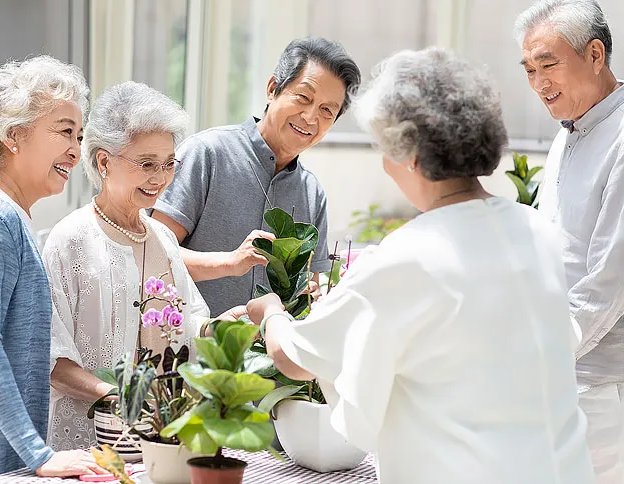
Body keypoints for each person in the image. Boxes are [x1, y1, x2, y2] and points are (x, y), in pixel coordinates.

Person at [246, 48, 595, 484]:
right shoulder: (535, 230)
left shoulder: (407, 258)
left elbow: (297, 359)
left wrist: (272, 312)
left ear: (409, 153)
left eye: (383, 146)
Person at [44, 82, 247, 451]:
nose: (161, 178)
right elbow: (52, 359)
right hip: (90, 446)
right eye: (147, 164)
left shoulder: (163, 240)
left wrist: (221, 326)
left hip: (161, 437)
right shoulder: (71, 239)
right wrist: (124, 398)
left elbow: (188, 327)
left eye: (169, 164)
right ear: (104, 162)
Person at [0, 56, 103, 482]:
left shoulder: (4, 215)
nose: (76, 149)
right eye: (66, 131)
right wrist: (40, 455)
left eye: (80, 135)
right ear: (14, 135)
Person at [515, 2, 624, 482]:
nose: (538, 83)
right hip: (560, 374)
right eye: (530, 70)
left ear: (595, 54)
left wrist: (532, 355)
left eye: (548, 64)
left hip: (608, 387)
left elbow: (607, 284)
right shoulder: (569, 134)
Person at [152, 36, 361, 316]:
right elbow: (153, 254)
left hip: (271, 355)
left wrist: (310, 296)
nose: (311, 117)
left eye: (327, 110)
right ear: (273, 88)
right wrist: (229, 262)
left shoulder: (313, 194)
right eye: (304, 97)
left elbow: (312, 284)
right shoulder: (207, 153)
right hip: (191, 349)